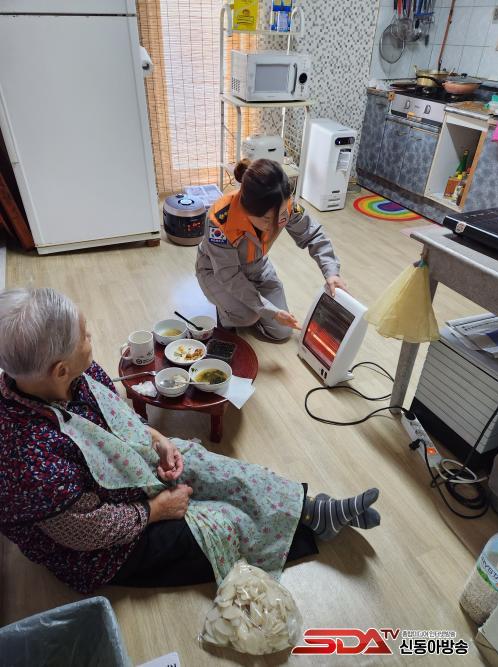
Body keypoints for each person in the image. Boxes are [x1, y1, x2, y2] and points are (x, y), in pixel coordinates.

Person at [0, 288, 380, 594]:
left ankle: (313, 509)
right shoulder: (25, 459)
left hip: (129, 471)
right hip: (104, 546)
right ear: (60, 369)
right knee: (221, 523)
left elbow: (118, 421)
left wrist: (159, 440)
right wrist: (157, 509)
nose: (91, 338)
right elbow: (88, 531)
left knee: (216, 468)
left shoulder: (76, 375)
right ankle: (312, 525)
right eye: (84, 336)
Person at [196, 158, 348, 341]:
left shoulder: (284, 205)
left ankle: (246, 307)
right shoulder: (219, 221)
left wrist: (331, 272)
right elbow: (229, 276)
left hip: (257, 267)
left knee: (282, 332)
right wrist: (267, 310)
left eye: (281, 214)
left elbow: (313, 234)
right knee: (246, 316)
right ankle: (228, 312)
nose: (276, 223)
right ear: (247, 209)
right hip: (217, 271)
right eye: (267, 219)